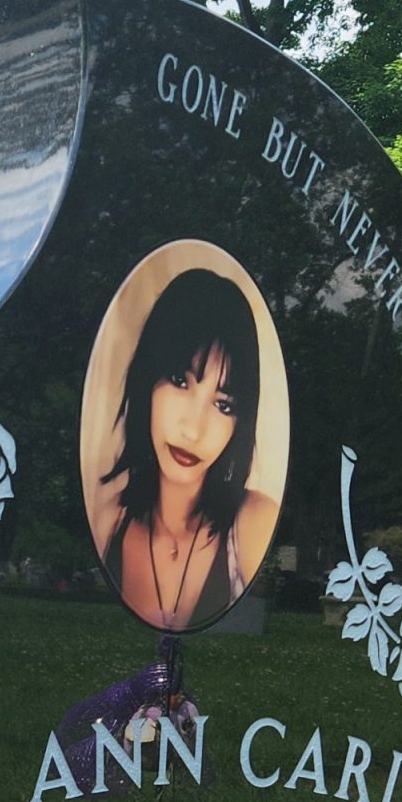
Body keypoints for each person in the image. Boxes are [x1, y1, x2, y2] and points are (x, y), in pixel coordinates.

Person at [95, 268, 280, 632]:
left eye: (223, 405)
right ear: (148, 380)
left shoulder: (252, 523)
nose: (193, 429)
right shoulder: (107, 520)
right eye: (180, 381)